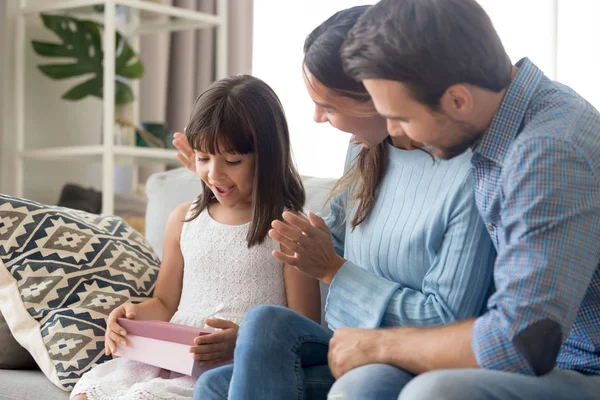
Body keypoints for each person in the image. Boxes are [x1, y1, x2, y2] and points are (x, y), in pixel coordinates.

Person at [174, 6, 496, 399]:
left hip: (406, 355)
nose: (316, 118)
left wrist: (333, 269)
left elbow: (450, 323)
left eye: (328, 106)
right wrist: (216, 179)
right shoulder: (367, 151)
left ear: (377, 96)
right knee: (212, 383)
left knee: (258, 337)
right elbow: (325, 240)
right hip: (344, 345)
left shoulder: (470, 178)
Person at [317, 0, 600, 399]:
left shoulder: (548, 151)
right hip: (549, 363)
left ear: (457, 100)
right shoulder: (506, 127)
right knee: (365, 385)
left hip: (583, 365)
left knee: (434, 393)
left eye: (401, 117)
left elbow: (521, 343)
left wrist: (379, 343)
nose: (393, 131)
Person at [70, 75, 321, 400]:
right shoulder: (184, 219)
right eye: (203, 158)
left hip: (228, 368)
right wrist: (128, 315)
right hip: (167, 358)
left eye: (232, 161)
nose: (214, 174)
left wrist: (245, 342)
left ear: (268, 157)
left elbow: (303, 333)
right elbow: (164, 303)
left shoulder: (288, 231)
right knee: (90, 393)